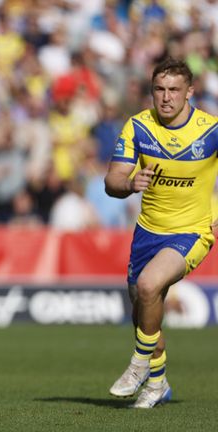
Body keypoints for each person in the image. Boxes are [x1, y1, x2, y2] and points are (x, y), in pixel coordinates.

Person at [105, 57, 217, 408]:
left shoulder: (210, 130)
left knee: (149, 285)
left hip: (193, 231)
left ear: (189, 93)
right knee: (144, 316)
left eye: (174, 90)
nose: (166, 97)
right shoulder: (138, 128)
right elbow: (112, 180)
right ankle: (157, 384)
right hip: (147, 232)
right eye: (159, 89)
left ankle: (138, 366)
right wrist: (128, 184)